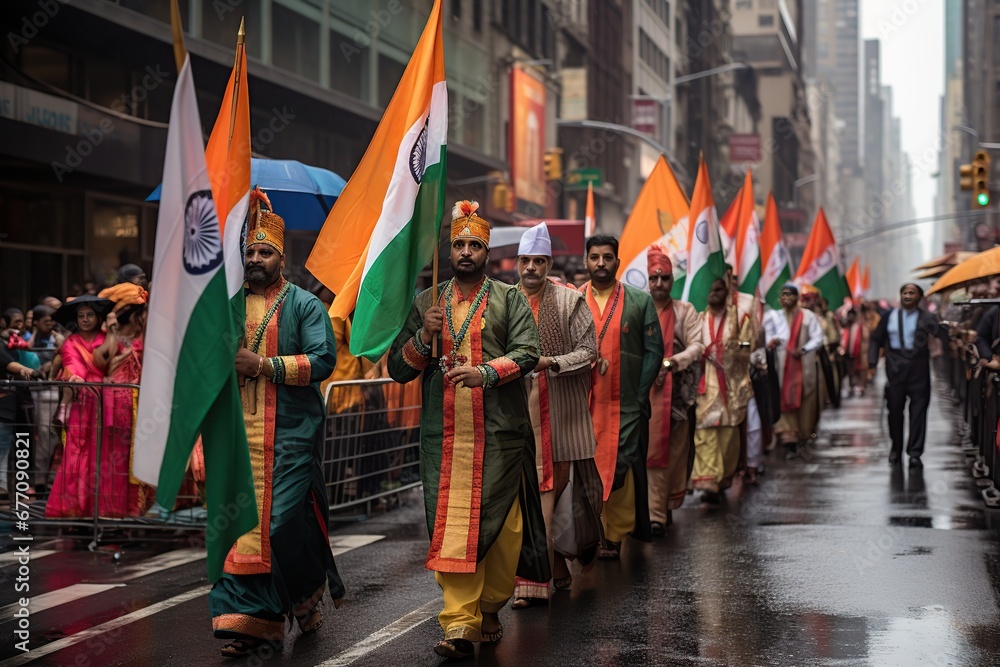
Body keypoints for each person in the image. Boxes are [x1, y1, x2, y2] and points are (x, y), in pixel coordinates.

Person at [387, 200, 548, 659]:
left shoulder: (509, 298)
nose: (464, 252)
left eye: (474, 245)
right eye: (457, 243)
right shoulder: (427, 302)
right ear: (448, 248)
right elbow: (399, 368)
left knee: (502, 528)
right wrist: (423, 338)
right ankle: (459, 624)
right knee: (452, 527)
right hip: (445, 439)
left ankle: (492, 603)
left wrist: (486, 373)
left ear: (486, 251)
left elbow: (528, 351)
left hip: (499, 434)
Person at [209, 201, 344, 658]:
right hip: (234, 436)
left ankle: (305, 591)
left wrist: (264, 364)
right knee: (239, 529)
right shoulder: (227, 307)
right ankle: (251, 623)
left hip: (290, 436)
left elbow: (324, 360)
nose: (255, 260)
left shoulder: (304, 305)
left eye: (265, 253)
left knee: (281, 524)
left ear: (281, 258)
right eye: (249, 251)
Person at [509, 222, 603, 607]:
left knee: (553, 495)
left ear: (549, 263)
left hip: (560, 415)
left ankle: (536, 577)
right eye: (525, 260)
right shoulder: (503, 300)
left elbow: (589, 351)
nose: (531, 267)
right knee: (522, 496)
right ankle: (545, 569)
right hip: (514, 414)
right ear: (517, 262)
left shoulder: (569, 301)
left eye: (539, 261)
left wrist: (551, 362)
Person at [579, 234, 662, 558]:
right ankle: (590, 533)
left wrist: (640, 397)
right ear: (586, 261)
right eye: (595, 257)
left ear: (617, 261)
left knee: (621, 468)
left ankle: (614, 534)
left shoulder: (640, 301)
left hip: (625, 405)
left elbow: (654, 353)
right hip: (582, 405)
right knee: (586, 470)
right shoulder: (574, 299)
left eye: (607, 257)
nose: (601, 263)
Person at [644, 245, 703, 533]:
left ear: (672, 280)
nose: (658, 284)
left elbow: (697, 346)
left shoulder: (685, 310)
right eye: (653, 279)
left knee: (674, 453)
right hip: (643, 394)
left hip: (676, 396)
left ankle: (661, 508)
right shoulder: (638, 306)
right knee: (645, 452)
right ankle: (651, 513)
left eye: (664, 278)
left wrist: (671, 363)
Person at [44, 296, 118, 518]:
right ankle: (74, 508)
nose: (85, 319)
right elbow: (72, 365)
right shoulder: (71, 343)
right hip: (81, 405)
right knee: (77, 455)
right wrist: (75, 376)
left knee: (105, 457)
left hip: (108, 405)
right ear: (76, 319)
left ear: (98, 317)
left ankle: (101, 509)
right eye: (81, 316)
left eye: (90, 315)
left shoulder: (109, 338)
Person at [690, 276, 756, 501]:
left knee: (728, 436)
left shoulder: (738, 319)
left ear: (727, 292)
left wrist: (734, 349)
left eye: (720, 289)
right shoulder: (699, 318)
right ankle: (708, 480)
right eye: (712, 289)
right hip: (706, 385)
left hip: (730, 385)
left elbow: (750, 345)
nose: (715, 293)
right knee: (705, 432)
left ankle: (723, 478)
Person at [868, 283, 948, 467]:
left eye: (912, 293)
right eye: (904, 292)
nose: (907, 296)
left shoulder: (927, 317)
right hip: (895, 366)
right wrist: (872, 361)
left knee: (919, 410)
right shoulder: (889, 316)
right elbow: (876, 339)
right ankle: (896, 447)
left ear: (920, 298)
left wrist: (945, 325)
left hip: (919, 367)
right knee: (895, 409)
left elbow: (942, 335)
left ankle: (915, 453)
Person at [763, 283, 825, 457]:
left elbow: (818, 338)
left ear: (797, 298)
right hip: (782, 369)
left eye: (789, 295)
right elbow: (769, 338)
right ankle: (790, 441)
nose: (786, 298)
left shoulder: (808, 317)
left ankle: (803, 436)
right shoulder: (774, 317)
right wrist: (772, 343)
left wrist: (804, 349)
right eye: (783, 295)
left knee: (806, 403)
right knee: (784, 400)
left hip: (804, 368)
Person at [28, 305, 63, 492]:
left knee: (48, 437)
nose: (50, 324)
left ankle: (43, 480)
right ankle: (37, 480)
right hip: (34, 392)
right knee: (37, 437)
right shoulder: (29, 338)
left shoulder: (56, 339)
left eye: (52, 321)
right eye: (45, 321)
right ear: (36, 322)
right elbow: (28, 352)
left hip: (50, 393)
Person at [841, 309, 870, 397]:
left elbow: (866, 339)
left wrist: (863, 350)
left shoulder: (861, 326)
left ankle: (862, 387)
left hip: (860, 352)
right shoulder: (848, 326)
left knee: (861, 370)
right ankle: (851, 385)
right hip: (849, 352)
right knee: (851, 370)